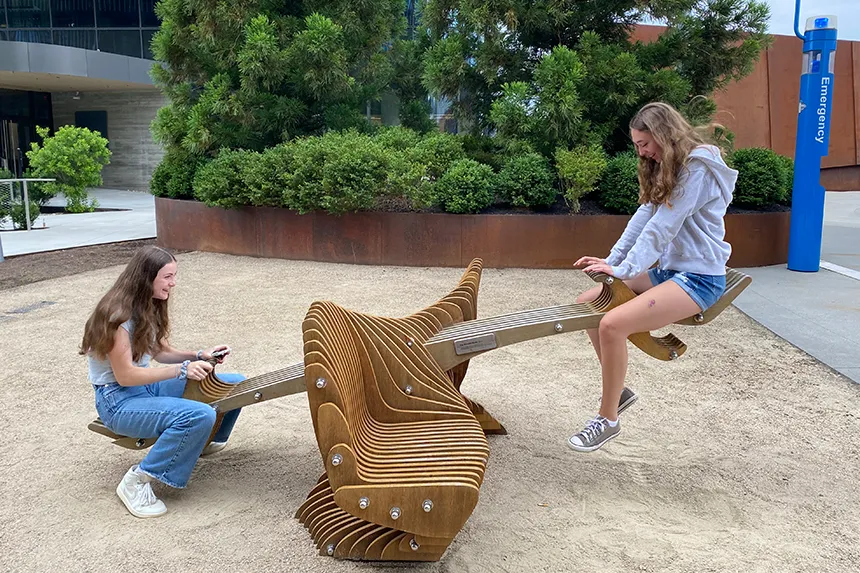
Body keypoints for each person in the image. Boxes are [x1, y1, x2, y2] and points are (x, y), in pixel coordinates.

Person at [567, 102, 737, 453]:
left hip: (699, 278)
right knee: (588, 303)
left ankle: (607, 419)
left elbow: (663, 228)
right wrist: (611, 262)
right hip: (671, 272)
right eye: (637, 145)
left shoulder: (697, 170)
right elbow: (643, 220)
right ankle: (620, 391)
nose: (641, 151)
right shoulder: (667, 166)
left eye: (644, 144)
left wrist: (625, 271)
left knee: (612, 325)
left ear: (664, 135)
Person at [80, 245, 245, 517]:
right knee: (198, 415)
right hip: (118, 400)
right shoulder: (116, 316)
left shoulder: (146, 305)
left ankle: (205, 442)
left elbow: (159, 351)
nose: (173, 282)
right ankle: (137, 481)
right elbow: (126, 375)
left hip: (144, 389)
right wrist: (183, 370)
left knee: (233, 383)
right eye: (167, 276)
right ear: (147, 277)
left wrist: (199, 355)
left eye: (174, 275)